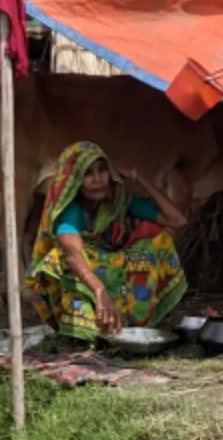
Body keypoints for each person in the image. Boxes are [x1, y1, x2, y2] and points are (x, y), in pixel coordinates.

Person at [24, 141, 188, 341]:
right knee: (58, 260)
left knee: (158, 239)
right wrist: (99, 290)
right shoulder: (71, 211)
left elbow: (178, 220)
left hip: (110, 268)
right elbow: (73, 255)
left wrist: (141, 179)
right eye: (88, 174)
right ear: (75, 181)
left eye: (102, 171)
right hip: (85, 276)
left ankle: (135, 319)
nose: (97, 179)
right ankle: (84, 329)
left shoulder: (119, 202)